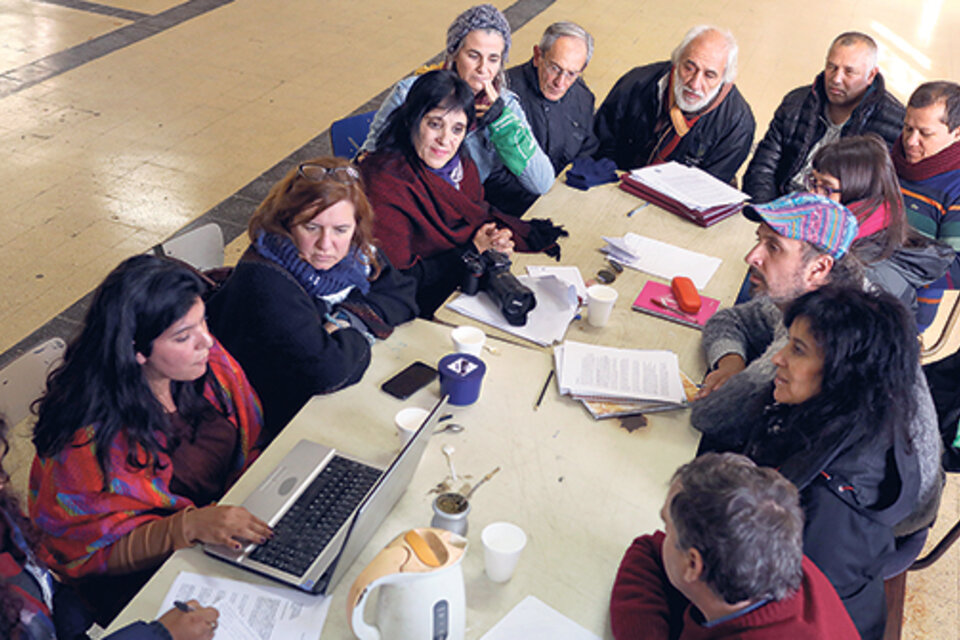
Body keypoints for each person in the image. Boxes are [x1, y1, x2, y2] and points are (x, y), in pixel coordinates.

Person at [690, 194, 942, 557]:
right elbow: (731, 319)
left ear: (818, 268)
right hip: (849, 488)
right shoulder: (817, 299)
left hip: (869, 530)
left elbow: (710, 417)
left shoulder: (820, 338)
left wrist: (742, 377)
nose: (752, 257)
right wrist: (730, 360)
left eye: (773, 247)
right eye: (758, 239)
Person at [29, 256, 268, 624]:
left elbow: (250, 438)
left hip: (222, 536)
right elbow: (83, 554)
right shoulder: (87, 440)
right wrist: (189, 526)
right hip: (145, 585)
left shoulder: (206, 366)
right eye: (183, 336)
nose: (205, 340)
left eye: (202, 320)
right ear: (136, 351)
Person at [701, 287, 923, 638]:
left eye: (798, 350)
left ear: (844, 372)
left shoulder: (825, 510)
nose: (778, 359)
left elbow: (779, 617)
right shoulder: (856, 414)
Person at [207, 156, 418, 439]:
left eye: (341, 230)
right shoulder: (265, 280)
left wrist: (343, 322)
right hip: (268, 421)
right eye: (311, 227)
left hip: (318, 404)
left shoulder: (357, 254)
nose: (326, 244)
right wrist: (360, 331)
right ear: (287, 223)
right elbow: (327, 371)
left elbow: (403, 294)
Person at [360, 69, 567, 317]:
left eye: (457, 129)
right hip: (412, 308)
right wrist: (472, 251)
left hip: (457, 290)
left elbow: (475, 215)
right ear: (412, 120)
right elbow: (398, 281)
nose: (445, 140)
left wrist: (492, 238)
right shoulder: (384, 182)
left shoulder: (461, 165)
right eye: (435, 124)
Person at [0, 417, 220, 639]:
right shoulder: (80, 445)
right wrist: (161, 635)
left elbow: (43, 586)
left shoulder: (6, 519)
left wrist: (72, 616)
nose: (4, 482)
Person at [610, 452, 859, 639]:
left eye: (667, 526)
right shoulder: (770, 553)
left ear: (693, 564)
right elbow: (647, 552)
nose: (662, 536)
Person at [360, 4, 555, 208]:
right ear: (454, 53)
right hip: (409, 204)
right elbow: (370, 161)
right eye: (473, 55)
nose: (483, 69)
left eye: (493, 59)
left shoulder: (503, 106)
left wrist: (503, 126)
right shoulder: (410, 93)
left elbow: (541, 182)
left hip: (462, 208)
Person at [808, 134, 953, 330]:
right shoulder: (839, 235)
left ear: (858, 192)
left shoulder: (872, 276)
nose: (813, 196)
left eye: (826, 188)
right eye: (813, 183)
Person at [743, 32, 905, 203]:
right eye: (831, 67)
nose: (836, 79)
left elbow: (875, 199)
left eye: (849, 72)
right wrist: (768, 214)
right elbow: (762, 168)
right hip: (780, 207)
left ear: (871, 75)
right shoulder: (796, 102)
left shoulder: (893, 123)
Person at [593, 25, 755, 184]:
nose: (695, 84)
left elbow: (710, 186)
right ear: (677, 61)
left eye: (709, 75)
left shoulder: (738, 124)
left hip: (681, 202)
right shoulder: (636, 84)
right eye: (689, 68)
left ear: (725, 79)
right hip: (618, 181)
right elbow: (600, 146)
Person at [484, 21, 599, 216]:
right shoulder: (501, 98)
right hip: (508, 211)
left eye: (571, 73)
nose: (560, 83)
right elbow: (491, 172)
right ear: (538, 56)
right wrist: (545, 200)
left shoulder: (583, 98)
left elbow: (587, 153)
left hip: (563, 204)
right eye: (554, 68)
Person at [892, 81, 960, 287]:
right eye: (908, 128)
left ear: (957, 134)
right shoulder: (887, 161)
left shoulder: (956, 187)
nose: (911, 141)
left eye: (925, 133)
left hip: (905, 306)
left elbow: (956, 268)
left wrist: (890, 269)